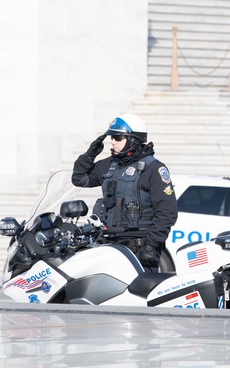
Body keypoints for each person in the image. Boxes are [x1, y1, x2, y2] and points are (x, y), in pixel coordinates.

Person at [71, 113, 177, 271]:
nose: (113, 142)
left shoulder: (153, 169)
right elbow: (79, 179)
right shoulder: (109, 165)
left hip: (138, 251)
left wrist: (151, 245)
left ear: (133, 140)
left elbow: (167, 212)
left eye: (118, 137)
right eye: (111, 137)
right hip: (109, 248)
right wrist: (89, 155)